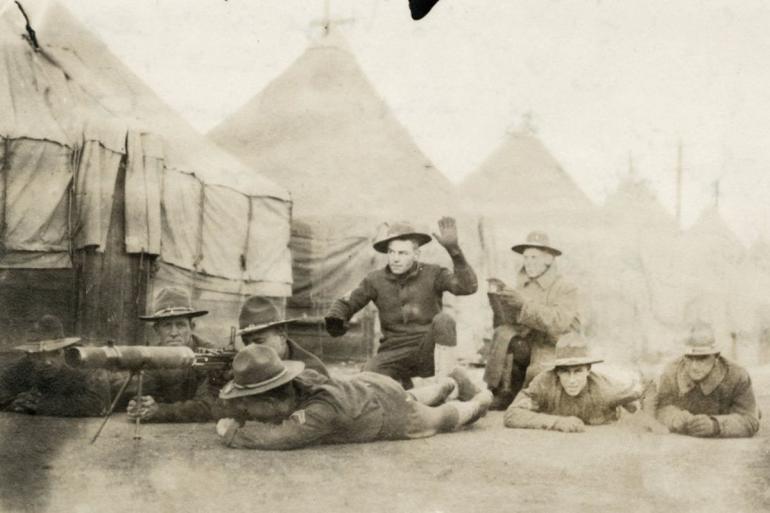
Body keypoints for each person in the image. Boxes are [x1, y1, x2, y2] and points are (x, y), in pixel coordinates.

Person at [215, 345, 492, 450]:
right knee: (412, 396)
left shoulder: (319, 412)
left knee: (438, 418)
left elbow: (283, 437)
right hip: (370, 386)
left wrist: (234, 435)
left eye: (250, 400)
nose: (244, 407)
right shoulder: (301, 380)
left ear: (274, 400)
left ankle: (480, 402)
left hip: (390, 414)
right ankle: (447, 383)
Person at [325, 217, 478, 389]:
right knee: (366, 383)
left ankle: (446, 384)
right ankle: (403, 384)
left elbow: (467, 287)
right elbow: (348, 301)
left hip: (428, 351)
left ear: (416, 254)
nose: (395, 259)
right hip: (392, 352)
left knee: (444, 320)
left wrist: (455, 251)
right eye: (391, 252)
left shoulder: (433, 273)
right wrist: (336, 318)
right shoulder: (375, 279)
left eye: (402, 253)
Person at [483, 230, 581, 410]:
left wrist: (523, 304)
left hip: (558, 347)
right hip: (531, 344)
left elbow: (558, 322)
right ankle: (503, 391)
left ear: (549, 260)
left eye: (534, 258)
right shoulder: (523, 286)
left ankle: (520, 392)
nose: (528, 263)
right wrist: (498, 300)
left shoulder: (566, 287)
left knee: (541, 387)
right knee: (504, 333)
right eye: (526, 258)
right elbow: (514, 322)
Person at [503, 333, 643, 432]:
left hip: (611, 396)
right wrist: (557, 422)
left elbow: (646, 388)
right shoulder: (545, 382)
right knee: (532, 372)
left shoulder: (605, 390)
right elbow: (512, 414)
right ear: (557, 372)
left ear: (588, 370)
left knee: (632, 406)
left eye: (578, 371)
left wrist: (642, 410)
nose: (572, 381)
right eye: (565, 372)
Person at [654, 322, 760, 438]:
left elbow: (750, 420)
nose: (694, 366)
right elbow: (661, 407)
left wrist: (715, 425)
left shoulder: (737, 376)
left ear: (716, 357)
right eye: (689, 357)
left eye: (702, 358)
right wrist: (674, 417)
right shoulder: (671, 372)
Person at [126, 286, 215, 421]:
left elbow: (207, 406)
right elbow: (146, 392)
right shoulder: (152, 357)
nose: (174, 333)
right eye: (167, 325)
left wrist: (160, 411)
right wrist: (139, 405)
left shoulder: (209, 356)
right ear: (157, 330)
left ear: (192, 327)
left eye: (180, 325)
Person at [0, 315, 109, 416]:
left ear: (64, 350)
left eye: (55, 353)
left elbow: (98, 403)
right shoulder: (19, 368)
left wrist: (43, 405)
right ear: (28, 355)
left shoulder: (81, 364)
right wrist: (13, 403)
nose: (47, 362)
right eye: (38, 356)